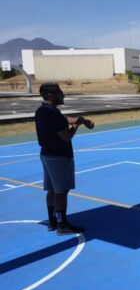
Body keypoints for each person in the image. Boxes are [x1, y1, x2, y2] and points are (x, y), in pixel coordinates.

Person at [34, 83, 94, 234]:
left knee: (52, 190)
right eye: (59, 92)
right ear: (50, 95)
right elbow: (66, 136)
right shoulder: (52, 113)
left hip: (47, 154)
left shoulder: (43, 110)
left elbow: (64, 118)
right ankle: (62, 225)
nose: (63, 95)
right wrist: (77, 125)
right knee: (61, 191)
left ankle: (53, 221)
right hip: (59, 156)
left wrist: (80, 120)